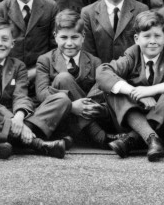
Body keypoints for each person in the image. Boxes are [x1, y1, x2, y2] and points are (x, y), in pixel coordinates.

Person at [0, 16, 70, 159]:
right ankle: (36, 144)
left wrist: (19, 117)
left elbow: (20, 95)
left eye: (5, 39)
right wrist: (14, 121)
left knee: (61, 99)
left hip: (17, 119)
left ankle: (4, 142)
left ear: (12, 43)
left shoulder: (18, 66)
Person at [96, 9, 164, 160]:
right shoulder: (132, 54)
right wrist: (135, 92)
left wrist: (149, 90)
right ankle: (151, 139)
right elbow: (102, 72)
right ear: (137, 39)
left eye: (157, 36)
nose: (152, 41)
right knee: (114, 88)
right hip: (133, 117)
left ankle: (134, 139)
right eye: (147, 36)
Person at [35, 8, 113, 148]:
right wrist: (72, 106)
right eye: (64, 37)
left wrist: (82, 106)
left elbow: (100, 91)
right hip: (60, 120)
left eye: (74, 37)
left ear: (83, 37)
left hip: (85, 120)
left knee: (102, 82)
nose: (69, 43)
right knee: (63, 78)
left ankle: (90, 132)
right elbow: (41, 94)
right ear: (55, 36)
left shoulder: (94, 61)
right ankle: (97, 134)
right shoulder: (45, 60)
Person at [79, 0, 148, 64]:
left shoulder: (141, 10)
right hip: (100, 75)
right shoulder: (88, 13)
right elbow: (88, 54)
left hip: (133, 75)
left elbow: (143, 50)